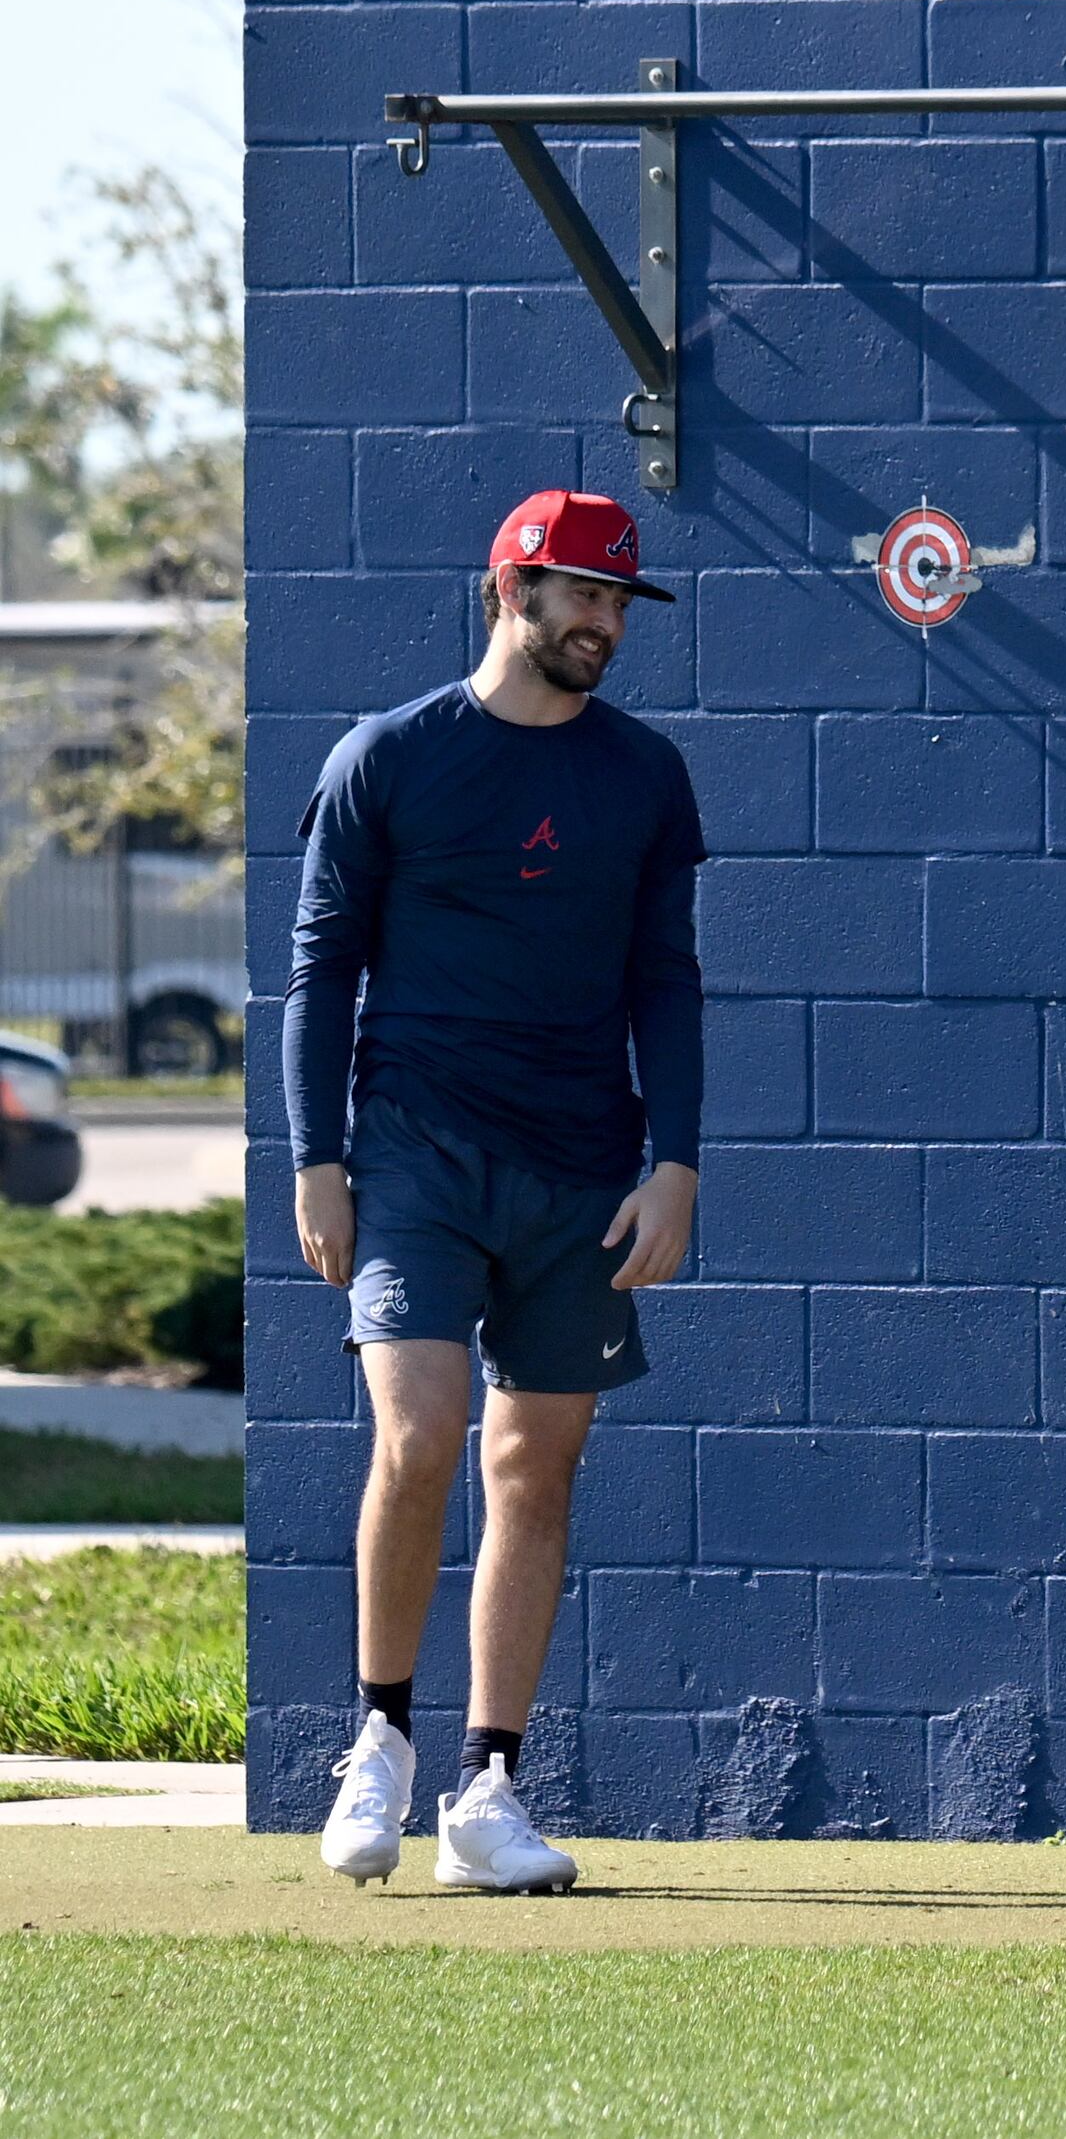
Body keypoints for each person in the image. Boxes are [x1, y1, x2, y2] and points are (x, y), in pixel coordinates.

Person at [295, 490, 705, 1892]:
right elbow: (321, 972)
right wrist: (318, 1162)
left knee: (535, 1466)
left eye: (616, 603)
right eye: (578, 594)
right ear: (507, 590)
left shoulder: (645, 775)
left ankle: (486, 1794)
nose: (601, 622)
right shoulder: (389, 759)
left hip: (583, 1174)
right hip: (412, 1159)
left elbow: (667, 976)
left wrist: (676, 1164)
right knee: (418, 1442)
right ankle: (379, 1748)